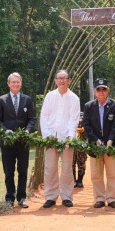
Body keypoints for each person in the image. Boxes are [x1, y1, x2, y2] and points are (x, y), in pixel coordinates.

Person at [40, 70, 80, 208]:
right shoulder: (50, 96)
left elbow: (74, 119)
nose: (62, 80)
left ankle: (67, 196)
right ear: (56, 80)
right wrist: (47, 135)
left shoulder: (74, 98)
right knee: (50, 168)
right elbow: (44, 116)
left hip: (66, 138)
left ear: (69, 80)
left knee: (67, 169)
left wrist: (70, 137)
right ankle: (50, 196)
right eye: (60, 78)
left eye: (65, 78)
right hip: (51, 137)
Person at [0, 72, 36, 208]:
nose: (16, 84)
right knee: (8, 170)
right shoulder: (1, 100)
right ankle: (9, 198)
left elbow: (32, 119)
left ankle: (22, 197)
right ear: (8, 84)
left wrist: (27, 131)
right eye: (13, 82)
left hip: (23, 142)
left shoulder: (27, 100)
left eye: (18, 81)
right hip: (7, 142)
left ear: (21, 83)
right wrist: (5, 130)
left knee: (23, 170)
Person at [83, 78, 115, 209]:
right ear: (94, 91)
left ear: (108, 90)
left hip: (112, 145)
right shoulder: (89, 106)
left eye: (103, 89)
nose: (101, 92)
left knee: (112, 173)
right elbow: (87, 126)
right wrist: (96, 140)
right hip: (95, 146)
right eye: (98, 89)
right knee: (96, 174)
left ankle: (112, 198)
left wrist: (110, 140)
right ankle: (99, 198)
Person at [72, 112, 87, 188]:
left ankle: (80, 180)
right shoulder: (70, 119)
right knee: (71, 163)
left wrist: (85, 129)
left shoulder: (86, 120)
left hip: (81, 145)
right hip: (72, 144)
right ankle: (73, 180)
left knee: (81, 163)